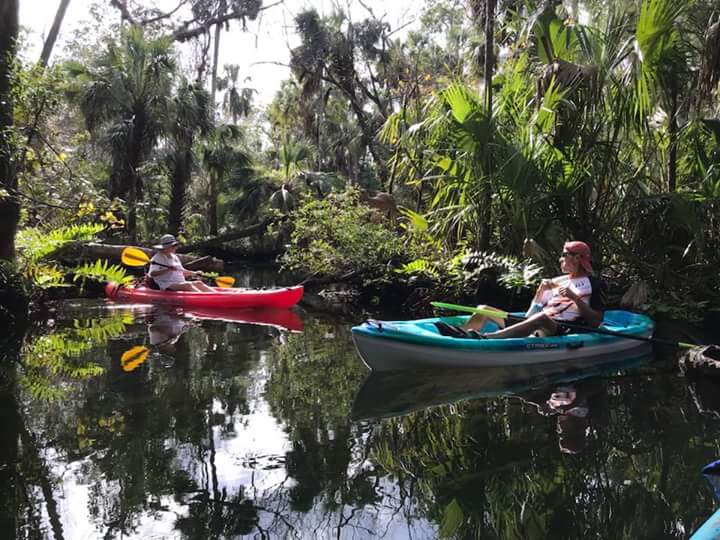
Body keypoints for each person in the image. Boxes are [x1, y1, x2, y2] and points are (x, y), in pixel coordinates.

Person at [436, 240, 605, 339]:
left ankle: (487, 339)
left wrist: (575, 298)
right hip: (537, 320)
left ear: (576, 258)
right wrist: (539, 295)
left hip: (560, 329)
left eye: (564, 255)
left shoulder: (593, 284)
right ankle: (463, 336)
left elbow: (596, 321)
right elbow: (530, 316)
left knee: (542, 317)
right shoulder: (555, 281)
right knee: (483, 309)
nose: (561, 259)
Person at [149, 234, 215, 293]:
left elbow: (182, 271)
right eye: (173, 245)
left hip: (180, 282)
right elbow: (152, 274)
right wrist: (168, 269)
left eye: (175, 245)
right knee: (188, 285)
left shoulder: (174, 256)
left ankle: (216, 295)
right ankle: (204, 299)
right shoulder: (157, 258)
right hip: (166, 284)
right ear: (166, 247)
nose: (176, 247)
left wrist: (195, 273)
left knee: (199, 283)